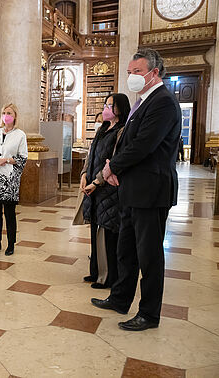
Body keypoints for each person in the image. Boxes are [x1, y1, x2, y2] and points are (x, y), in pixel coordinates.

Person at [91, 48, 181, 331]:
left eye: (137, 72)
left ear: (154, 73)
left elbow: (143, 145)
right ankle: (120, 298)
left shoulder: (163, 102)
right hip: (132, 188)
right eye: (129, 72)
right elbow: (127, 144)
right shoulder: (142, 102)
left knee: (149, 255)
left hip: (150, 190)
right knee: (126, 249)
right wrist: (118, 168)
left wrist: (110, 169)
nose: (131, 77)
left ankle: (149, 313)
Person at [80, 93, 131, 289]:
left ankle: (108, 277)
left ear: (120, 109)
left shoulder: (121, 131)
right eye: (105, 104)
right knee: (95, 231)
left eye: (110, 105)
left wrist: (97, 181)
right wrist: (85, 174)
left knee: (108, 234)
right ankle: (95, 271)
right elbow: (91, 156)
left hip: (108, 190)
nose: (106, 108)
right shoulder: (102, 129)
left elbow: (115, 161)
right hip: (93, 188)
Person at [0, 103, 28, 255]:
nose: (5, 115)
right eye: (3, 112)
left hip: (9, 179)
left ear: (14, 116)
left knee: (9, 214)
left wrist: (7, 160)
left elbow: (23, 158)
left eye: (9, 112)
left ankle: (11, 244)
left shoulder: (20, 135)